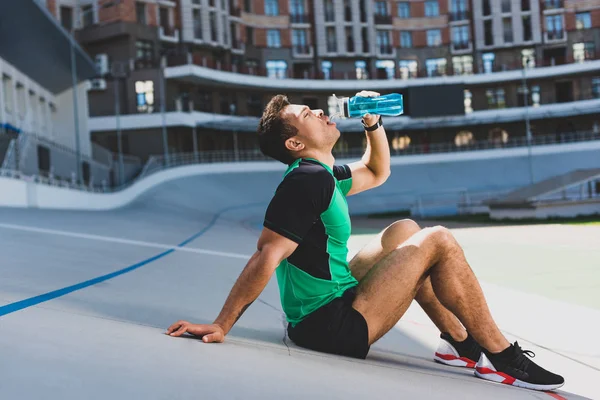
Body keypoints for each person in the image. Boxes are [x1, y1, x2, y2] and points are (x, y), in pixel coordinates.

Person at [166, 91, 564, 392]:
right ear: (295, 143)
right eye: (308, 115)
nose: (322, 112)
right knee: (437, 239)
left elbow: (377, 171)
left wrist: (372, 124)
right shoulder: (306, 180)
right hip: (329, 325)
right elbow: (267, 255)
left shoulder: (323, 174)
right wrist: (222, 324)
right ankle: (502, 356)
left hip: (335, 301)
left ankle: (458, 344)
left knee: (406, 231)